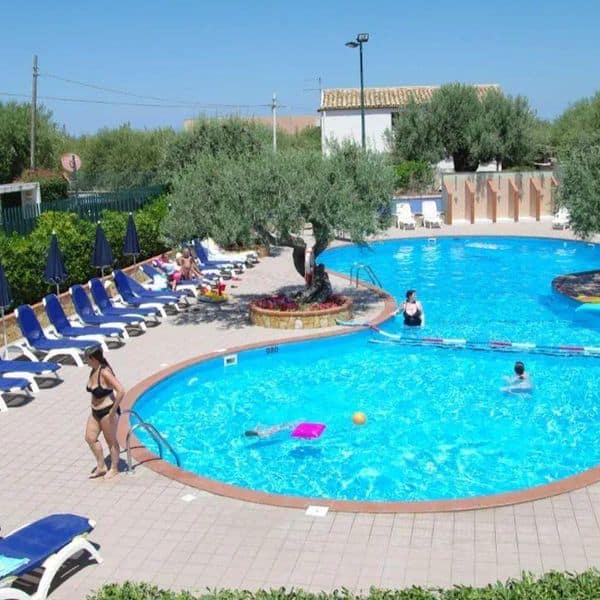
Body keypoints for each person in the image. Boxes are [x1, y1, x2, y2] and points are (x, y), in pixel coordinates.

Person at [84, 347, 125, 479]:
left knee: (111, 442)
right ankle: (101, 466)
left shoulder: (105, 373)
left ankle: (114, 468)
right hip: (95, 412)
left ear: (93, 359)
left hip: (108, 412)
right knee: (90, 438)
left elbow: (121, 390)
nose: (85, 361)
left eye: (87, 359)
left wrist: (113, 411)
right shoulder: (93, 370)